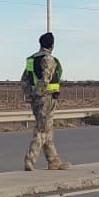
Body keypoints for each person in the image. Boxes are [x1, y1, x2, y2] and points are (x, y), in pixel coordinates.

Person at [22, 31, 70, 172]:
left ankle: (54, 161)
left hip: (36, 99)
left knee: (47, 130)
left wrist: (29, 94)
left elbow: (24, 79)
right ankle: (29, 160)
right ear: (52, 45)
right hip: (46, 98)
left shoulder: (32, 59)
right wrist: (38, 93)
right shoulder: (49, 59)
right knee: (42, 130)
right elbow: (46, 78)